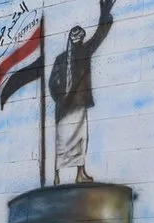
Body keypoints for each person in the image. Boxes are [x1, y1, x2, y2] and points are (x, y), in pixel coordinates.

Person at [49, 0, 115, 185]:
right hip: (66, 108)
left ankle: (79, 173)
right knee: (63, 142)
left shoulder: (82, 52)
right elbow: (53, 83)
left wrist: (104, 15)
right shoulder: (62, 59)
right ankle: (57, 176)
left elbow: (100, 35)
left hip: (76, 105)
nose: (79, 43)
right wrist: (61, 98)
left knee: (79, 140)